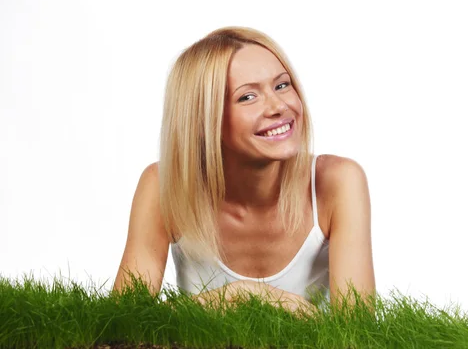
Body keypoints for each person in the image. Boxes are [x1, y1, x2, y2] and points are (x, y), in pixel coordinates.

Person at [112, 26, 376, 316]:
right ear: (204, 120)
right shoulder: (162, 186)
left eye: (282, 85)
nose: (278, 106)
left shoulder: (338, 182)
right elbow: (125, 320)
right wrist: (241, 294)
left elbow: (356, 329)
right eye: (248, 97)